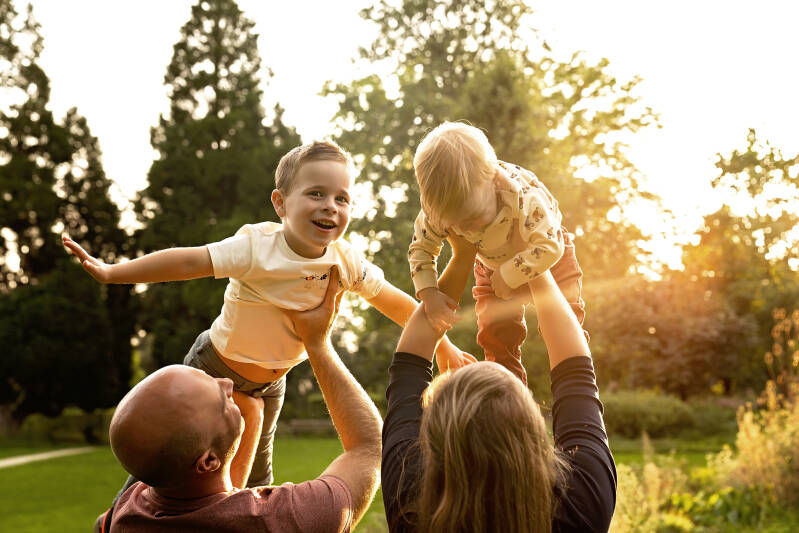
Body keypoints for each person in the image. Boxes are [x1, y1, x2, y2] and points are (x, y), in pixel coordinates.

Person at [64, 140, 473, 487]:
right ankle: (117, 520)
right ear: (280, 203)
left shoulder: (345, 261)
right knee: (170, 466)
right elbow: (188, 262)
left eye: (342, 198)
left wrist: (444, 346)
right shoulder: (257, 247)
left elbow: (394, 301)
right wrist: (114, 272)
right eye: (316, 193)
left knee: (257, 484)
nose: (330, 206)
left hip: (272, 383)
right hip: (215, 367)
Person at [96, 267, 382, 532]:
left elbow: (217, 503)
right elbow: (369, 449)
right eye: (220, 400)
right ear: (207, 461)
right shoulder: (286, 519)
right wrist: (318, 343)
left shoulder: (125, 513)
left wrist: (252, 421)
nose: (227, 382)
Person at [382, 237, 616, 532]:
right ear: (531, 426)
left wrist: (464, 254)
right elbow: (575, 370)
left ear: (434, 437)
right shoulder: (579, 506)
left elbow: (408, 364)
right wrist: (534, 261)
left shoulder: (414, 507)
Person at [408, 121, 586, 384]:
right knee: (495, 332)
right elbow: (421, 250)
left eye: (472, 218)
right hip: (490, 263)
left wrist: (511, 273)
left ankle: (575, 378)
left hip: (547, 256)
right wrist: (430, 294)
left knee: (567, 320)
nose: (461, 229)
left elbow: (550, 246)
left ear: (494, 180)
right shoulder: (439, 208)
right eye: (452, 224)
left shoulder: (523, 196)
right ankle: (508, 390)